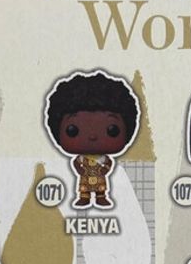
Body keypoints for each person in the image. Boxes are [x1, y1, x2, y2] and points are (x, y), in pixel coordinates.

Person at [44, 70, 140, 208]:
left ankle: (101, 198)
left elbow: (108, 164)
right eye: (73, 130)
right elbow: (76, 163)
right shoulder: (82, 159)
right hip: (85, 177)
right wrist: (80, 170)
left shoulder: (103, 159)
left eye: (111, 130)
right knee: (84, 188)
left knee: (101, 188)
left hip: (99, 177)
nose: (93, 136)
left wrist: (105, 170)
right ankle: (84, 198)